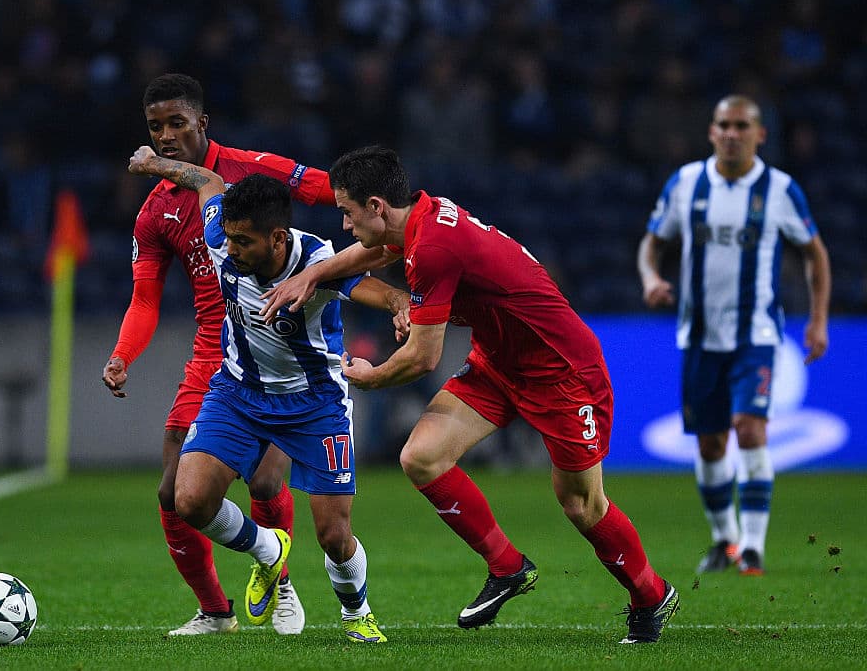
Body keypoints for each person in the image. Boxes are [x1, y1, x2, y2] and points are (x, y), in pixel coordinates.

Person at [261, 145, 679, 644]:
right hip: (499, 363)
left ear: (376, 206)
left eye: (348, 213)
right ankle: (507, 567)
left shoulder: (433, 246)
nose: (345, 226)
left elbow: (421, 358)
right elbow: (376, 251)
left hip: (562, 373)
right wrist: (312, 273)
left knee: (580, 503)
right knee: (421, 457)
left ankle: (652, 595)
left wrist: (369, 378)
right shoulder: (418, 221)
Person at [128, 147, 408, 642]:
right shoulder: (220, 235)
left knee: (334, 536)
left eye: (244, 242)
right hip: (238, 394)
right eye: (229, 239)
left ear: (278, 238)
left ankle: (356, 613)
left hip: (315, 404)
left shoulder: (318, 259)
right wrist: (155, 165)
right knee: (186, 499)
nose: (230, 251)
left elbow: (373, 287)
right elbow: (207, 179)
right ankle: (268, 550)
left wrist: (399, 304)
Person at [101, 73, 340, 636]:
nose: (164, 136)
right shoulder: (154, 215)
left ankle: (282, 587)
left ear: (202, 123)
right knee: (171, 493)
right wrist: (122, 354)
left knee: (263, 484)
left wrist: (392, 214)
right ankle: (216, 609)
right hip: (214, 354)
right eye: (155, 127)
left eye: (175, 123)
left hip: (284, 350)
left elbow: (328, 190)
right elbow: (144, 299)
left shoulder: (249, 168)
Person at [637, 95, 831, 576]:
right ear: (711, 132)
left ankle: (753, 549)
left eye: (742, 125)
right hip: (699, 336)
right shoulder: (686, 183)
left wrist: (819, 318)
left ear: (760, 134)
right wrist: (650, 278)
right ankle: (724, 540)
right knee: (709, 445)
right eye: (724, 125)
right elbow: (652, 242)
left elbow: (815, 253)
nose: (731, 133)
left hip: (756, 333)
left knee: (750, 429)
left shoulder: (780, 189)